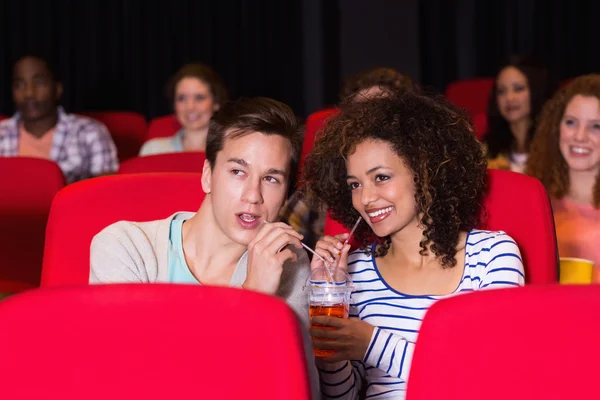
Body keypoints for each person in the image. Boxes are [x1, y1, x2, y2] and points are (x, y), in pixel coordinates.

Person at [302, 89, 525, 399]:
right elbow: (343, 396)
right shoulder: (355, 269)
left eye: (380, 177)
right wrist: (330, 322)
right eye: (355, 184)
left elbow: (490, 375)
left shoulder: (492, 255)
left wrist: (371, 344)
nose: (365, 199)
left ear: (425, 172)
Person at [91, 97, 319, 399]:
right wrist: (252, 298)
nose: (253, 195)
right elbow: (125, 379)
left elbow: (299, 391)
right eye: (238, 171)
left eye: (271, 179)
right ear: (208, 175)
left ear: (286, 194)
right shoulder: (124, 246)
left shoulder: (286, 262)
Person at [280, 67, 418, 252]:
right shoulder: (317, 190)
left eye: (382, 177)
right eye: (354, 185)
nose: (370, 123)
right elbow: (286, 245)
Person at [0, 56, 118, 183]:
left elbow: (106, 190)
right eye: (20, 84)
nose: (29, 93)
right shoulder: (2, 132)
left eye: (39, 82)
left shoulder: (90, 131)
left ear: (57, 88)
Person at [526, 74, 600, 266]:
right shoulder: (533, 202)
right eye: (571, 122)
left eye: (596, 126)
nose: (580, 136)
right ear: (556, 128)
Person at [484, 54, 557, 173]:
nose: (509, 98)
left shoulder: (556, 144)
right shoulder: (485, 150)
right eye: (501, 91)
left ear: (536, 91)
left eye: (518, 89)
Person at [140, 63, 228, 155]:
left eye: (199, 97)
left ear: (216, 103)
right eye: (182, 98)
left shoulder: (230, 150)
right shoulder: (153, 151)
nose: (190, 107)